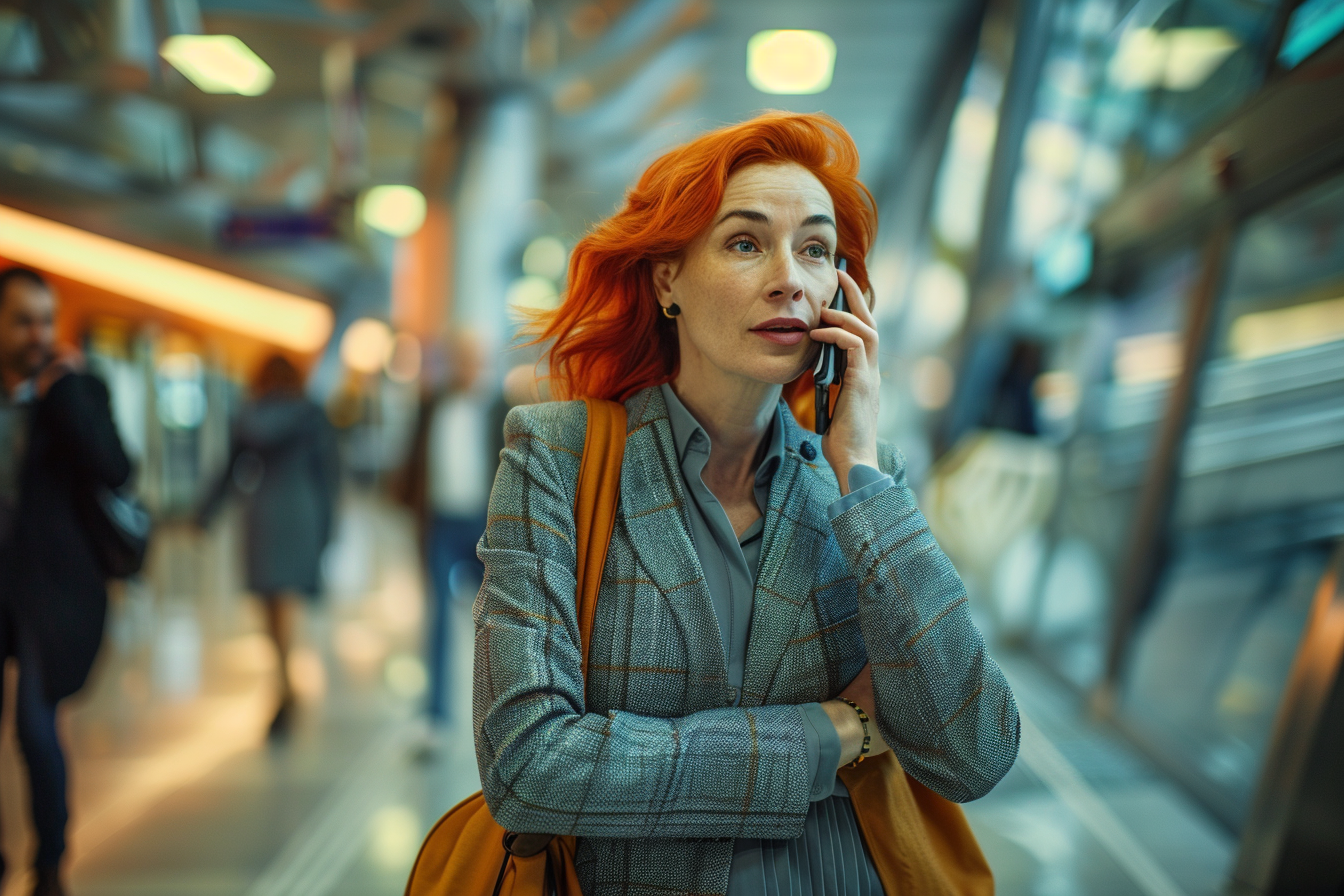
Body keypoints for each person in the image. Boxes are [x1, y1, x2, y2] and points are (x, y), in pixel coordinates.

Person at [473, 113, 1020, 895]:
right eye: (745, 242)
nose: (790, 279)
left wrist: (861, 470)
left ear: (844, 295)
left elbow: (975, 751)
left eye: (816, 250)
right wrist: (833, 732)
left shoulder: (865, 485)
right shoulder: (558, 457)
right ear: (668, 280)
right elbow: (527, 766)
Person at [0, 267, 131, 896]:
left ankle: (50, 861)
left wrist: (67, 396)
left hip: (46, 591)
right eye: (23, 320)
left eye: (45, 320)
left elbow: (116, 467)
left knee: (34, 724)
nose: (37, 334)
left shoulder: (74, 392)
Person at [199, 354, 339, 737]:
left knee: (268, 606)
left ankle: (283, 681)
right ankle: (285, 682)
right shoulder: (311, 415)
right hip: (301, 509)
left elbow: (229, 470)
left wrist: (204, 511)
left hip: (262, 513)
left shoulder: (248, 415)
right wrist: (328, 530)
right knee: (286, 605)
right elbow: (327, 474)